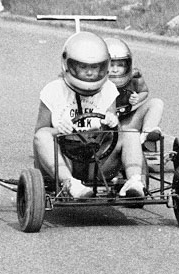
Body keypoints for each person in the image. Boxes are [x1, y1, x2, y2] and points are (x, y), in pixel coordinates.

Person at [33, 31, 146, 199]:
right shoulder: (53, 90)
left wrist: (112, 123)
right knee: (42, 136)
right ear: (69, 65)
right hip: (65, 160)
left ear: (103, 66)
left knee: (130, 133)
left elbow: (115, 135)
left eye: (94, 67)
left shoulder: (108, 89)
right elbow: (39, 133)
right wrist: (58, 130)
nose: (90, 73)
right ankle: (70, 184)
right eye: (83, 67)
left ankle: (135, 181)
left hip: (100, 161)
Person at [104, 37, 164, 152]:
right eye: (111, 65)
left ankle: (147, 133)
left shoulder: (134, 76)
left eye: (120, 65)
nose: (115, 70)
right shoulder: (95, 82)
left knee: (156, 103)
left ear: (127, 65)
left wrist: (138, 98)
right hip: (104, 130)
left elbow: (144, 91)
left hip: (127, 124)